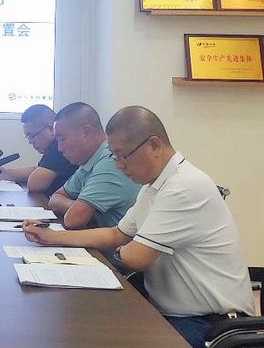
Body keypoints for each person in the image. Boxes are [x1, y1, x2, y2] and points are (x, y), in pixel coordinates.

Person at [23, 106, 254, 348]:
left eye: (122, 156)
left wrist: (123, 249)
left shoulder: (184, 186)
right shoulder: (154, 186)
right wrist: (51, 237)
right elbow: (116, 233)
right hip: (173, 311)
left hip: (210, 324)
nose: (119, 165)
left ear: (154, 145)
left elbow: (136, 257)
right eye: (114, 156)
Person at [47, 102, 140, 229]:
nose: (59, 148)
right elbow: (55, 198)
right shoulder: (89, 161)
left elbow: (73, 219)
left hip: (121, 242)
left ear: (86, 132)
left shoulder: (111, 162)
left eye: (62, 139)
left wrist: (78, 209)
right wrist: (76, 206)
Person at [0, 104, 77, 196]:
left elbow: (35, 184)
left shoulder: (59, 148)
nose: (31, 142)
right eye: (28, 137)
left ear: (51, 129)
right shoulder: (52, 147)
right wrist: (5, 173)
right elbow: (37, 170)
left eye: (32, 136)